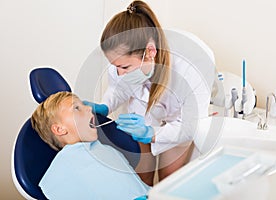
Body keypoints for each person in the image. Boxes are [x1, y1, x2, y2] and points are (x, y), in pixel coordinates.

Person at [84, 0, 214, 185]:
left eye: (124, 67)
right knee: (142, 178)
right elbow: (118, 87)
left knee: (168, 182)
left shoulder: (192, 69)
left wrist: (152, 133)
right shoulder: (122, 55)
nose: (119, 73)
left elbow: (190, 126)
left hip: (179, 120)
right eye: (116, 67)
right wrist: (106, 105)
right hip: (143, 110)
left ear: (150, 52)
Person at [31, 91, 149, 200]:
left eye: (83, 105)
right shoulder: (65, 164)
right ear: (59, 129)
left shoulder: (107, 150)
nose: (89, 108)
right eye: (76, 108)